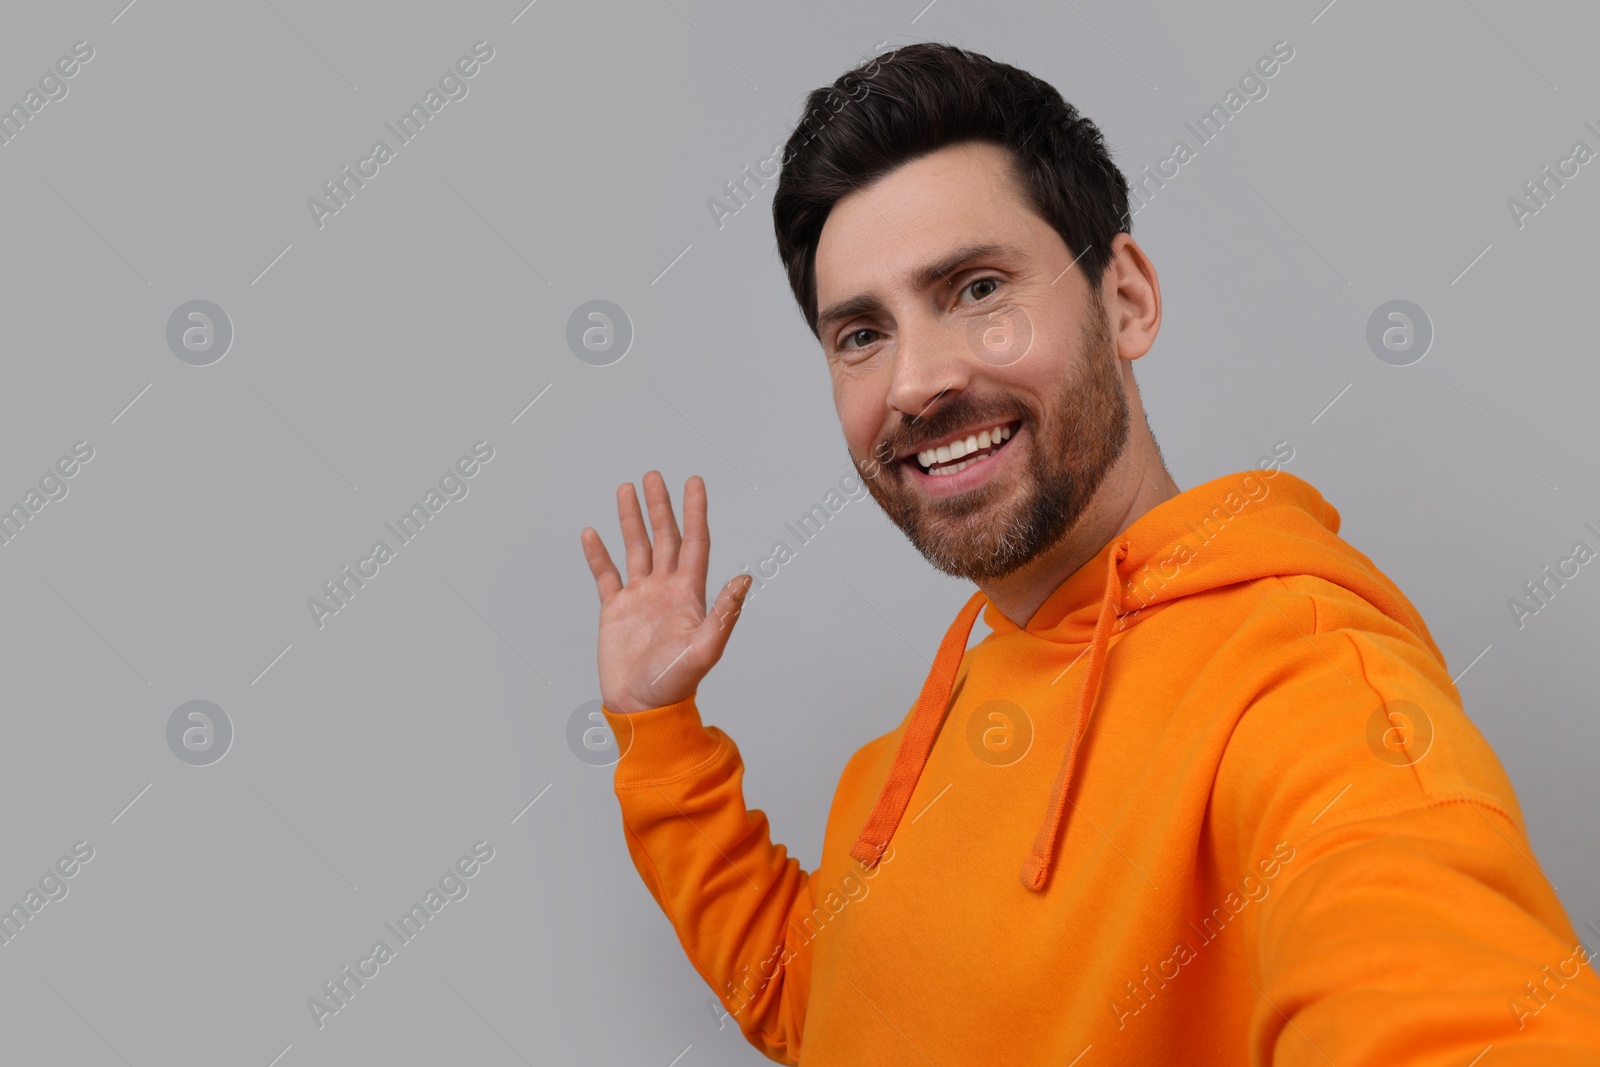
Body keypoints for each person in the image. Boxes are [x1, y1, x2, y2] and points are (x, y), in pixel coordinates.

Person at [578, 41, 1600, 1065]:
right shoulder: (894, 768)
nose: (915, 381)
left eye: (976, 287)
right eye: (860, 333)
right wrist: (657, 730)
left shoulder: (1307, 691)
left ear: (1126, 300)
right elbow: (816, 1000)